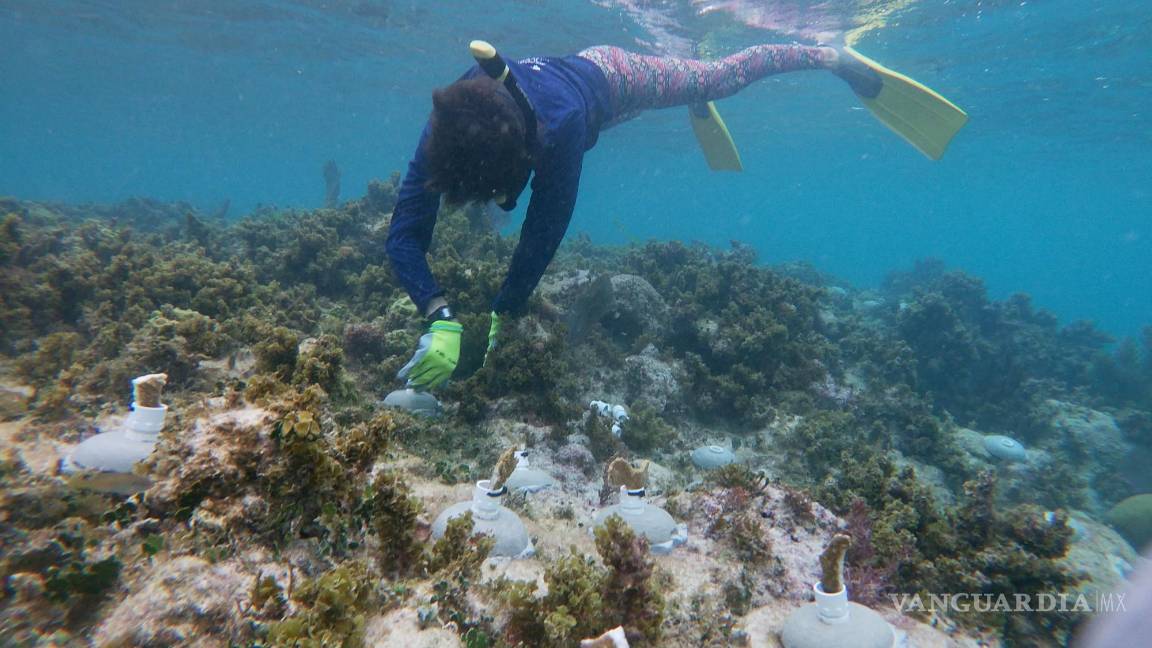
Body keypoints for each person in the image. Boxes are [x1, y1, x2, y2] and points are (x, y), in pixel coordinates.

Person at [385, 41, 919, 390]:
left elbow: (544, 228)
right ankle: (685, 81)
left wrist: (507, 307)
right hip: (571, 103)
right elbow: (404, 233)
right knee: (660, 95)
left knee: (713, 78)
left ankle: (825, 55)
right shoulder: (448, 119)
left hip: (612, 77)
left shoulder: (561, 128)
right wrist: (438, 313)